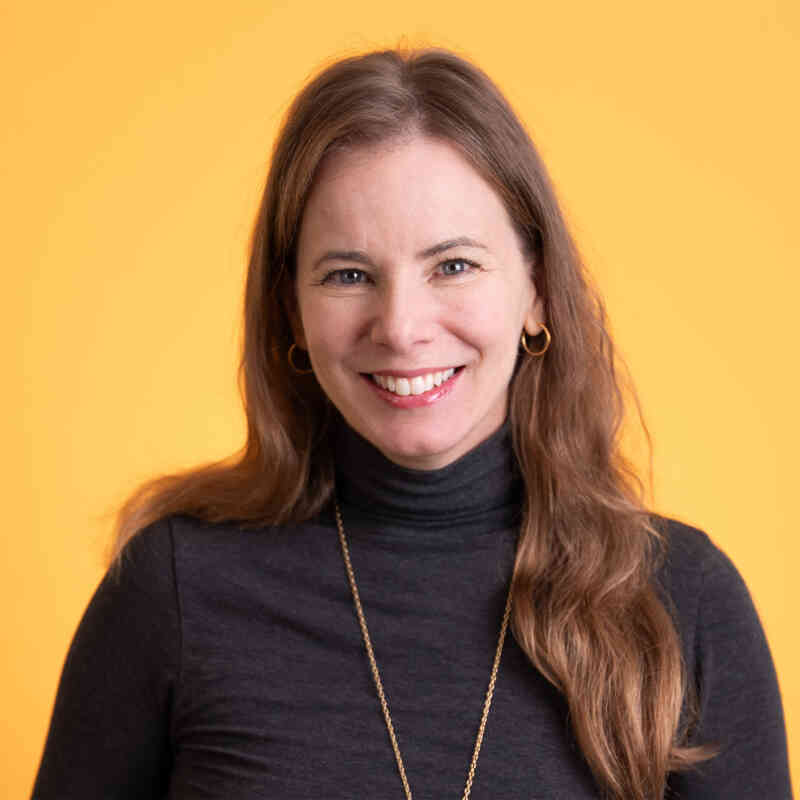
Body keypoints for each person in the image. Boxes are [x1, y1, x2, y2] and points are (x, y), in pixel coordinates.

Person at [31, 48, 791, 800]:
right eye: (348, 275)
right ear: (291, 309)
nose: (400, 326)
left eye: (453, 265)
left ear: (536, 291)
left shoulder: (683, 601)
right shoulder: (172, 590)